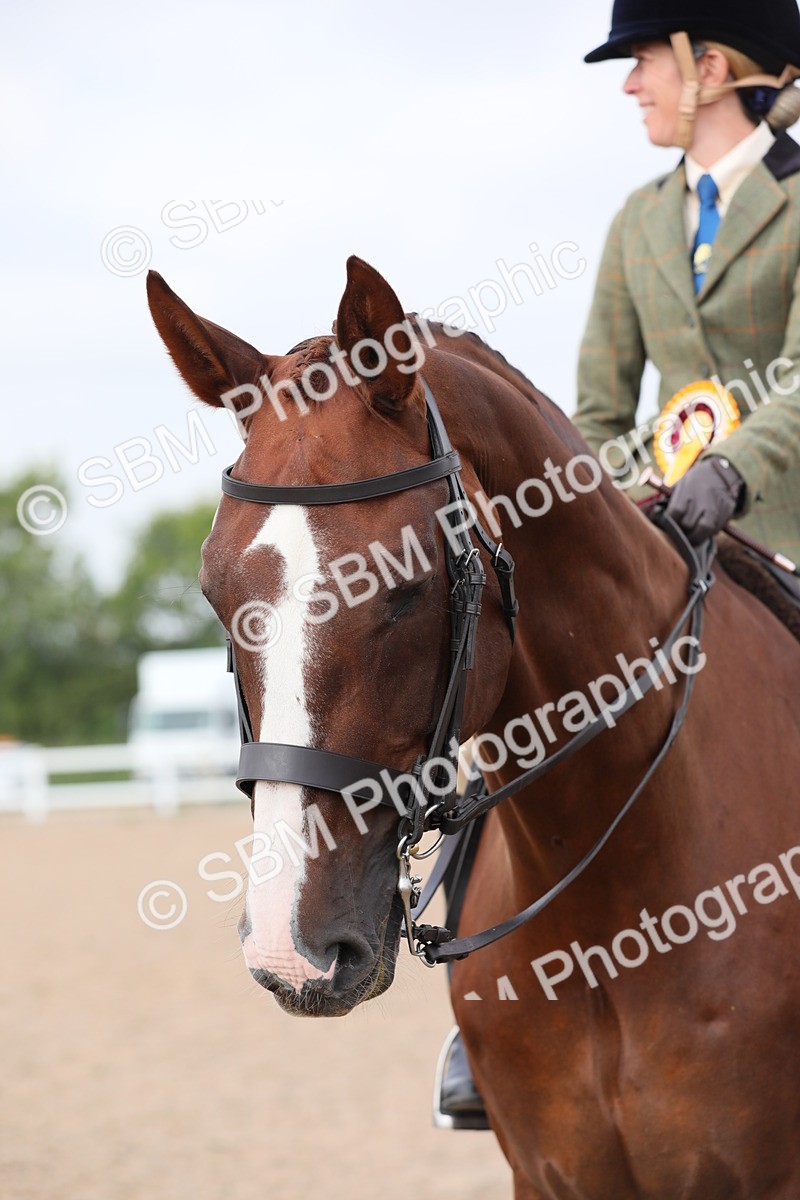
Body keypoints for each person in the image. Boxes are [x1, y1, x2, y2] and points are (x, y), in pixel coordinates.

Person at [437, 0, 800, 1125]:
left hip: (783, 522)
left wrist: (734, 469)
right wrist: (610, 513)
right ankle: (484, 1011)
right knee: (521, 710)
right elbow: (594, 413)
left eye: (643, 60)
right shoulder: (636, 223)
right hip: (663, 533)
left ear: (712, 65)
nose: (630, 83)